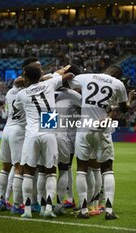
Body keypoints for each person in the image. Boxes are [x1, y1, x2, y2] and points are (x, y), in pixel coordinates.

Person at [68, 65, 136, 220]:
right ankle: (109, 210)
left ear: (106, 70)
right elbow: (124, 109)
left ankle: (84, 210)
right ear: (118, 76)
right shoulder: (118, 84)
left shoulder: (87, 77)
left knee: (81, 168)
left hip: (84, 129)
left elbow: (68, 81)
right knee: (107, 169)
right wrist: (131, 98)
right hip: (103, 130)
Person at [14, 64, 74, 218]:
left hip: (32, 133)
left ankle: (27, 210)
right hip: (49, 129)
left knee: (28, 172)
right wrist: (47, 78)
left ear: (26, 78)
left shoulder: (22, 94)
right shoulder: (49, 83)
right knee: (51, 173)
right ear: (39, 76)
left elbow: (17, 107)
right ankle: (47, 208)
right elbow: (69, 76)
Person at [53, 64, 82, 215]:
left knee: (48, 172)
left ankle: (41, 203)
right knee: (65, 169)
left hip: (47, 135)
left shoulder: (48, 91)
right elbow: (91, 106)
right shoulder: (72, 95)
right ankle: (60, 203)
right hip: (65, 137)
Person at [0, 80, 26, 213]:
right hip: (18, 131)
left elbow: (17, 81)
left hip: (7, 129)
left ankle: (2, 200)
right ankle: (17, 204)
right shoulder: (26, 93)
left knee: (5, 167)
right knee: (19, 167)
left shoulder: (10, 92)